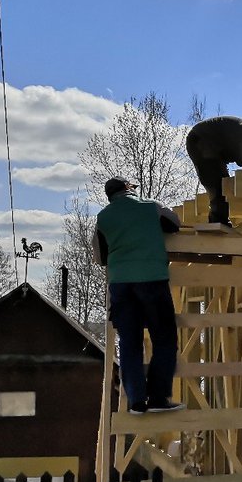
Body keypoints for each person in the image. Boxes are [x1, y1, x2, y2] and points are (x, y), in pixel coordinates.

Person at [94, 177, 185, 415]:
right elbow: (174, 223)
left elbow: (100, 257)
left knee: (129, 342)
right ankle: (157, 398)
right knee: (164, 339)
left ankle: (136, 401)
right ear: (128, 189)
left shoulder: (103, 218)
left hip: (120, 285)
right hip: (152, 280)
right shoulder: (150, 206)